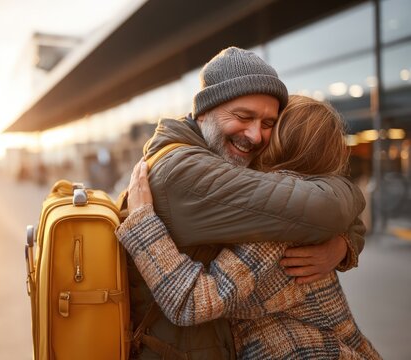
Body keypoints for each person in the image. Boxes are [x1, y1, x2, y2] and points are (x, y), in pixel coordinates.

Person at [123, 47, 367, 359]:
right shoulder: (185, 173)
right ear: (203, 112)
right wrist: (141, 223)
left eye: (268, 123)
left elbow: (336, 214)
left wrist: (344, 245)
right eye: (243, 116)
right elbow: (327, 210)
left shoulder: (238, 166)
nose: (255, 135)